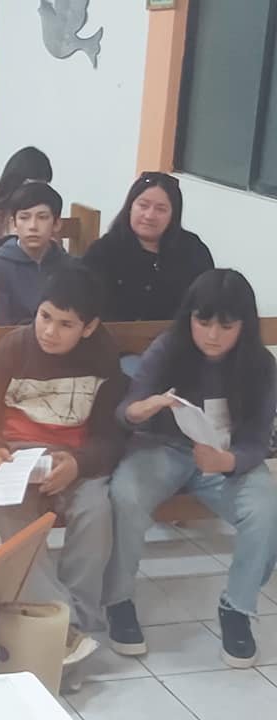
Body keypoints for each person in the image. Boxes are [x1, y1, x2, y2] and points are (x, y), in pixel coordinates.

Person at [103, 269, 277, 670]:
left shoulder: (260, 364)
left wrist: (228, 462)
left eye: (226, 325)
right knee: (126, 495)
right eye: (203, 321)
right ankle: (119, 599)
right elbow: (127, 410)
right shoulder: (169, 348)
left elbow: (257, 440)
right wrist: (141, 409)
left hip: (222, 455)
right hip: (163, 448)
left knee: (266, 508)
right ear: (189, 318)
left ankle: (237, 607)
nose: (212, 334)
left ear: (244, 325)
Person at [0, 265, 128, 671]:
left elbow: (111, 436)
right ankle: (71, 629)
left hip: (74, 459)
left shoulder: (104, 358)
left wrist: (78, 464)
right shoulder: (13, 347)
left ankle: (74, 625)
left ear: (88, 328)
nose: (50, 331)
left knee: (97, 513)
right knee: (15, 521)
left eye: (65, 324)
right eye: (45, 316)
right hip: (17, 456)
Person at [82, 172, 214, 321]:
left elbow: (208, 302)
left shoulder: (193, 250)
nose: (150, 215)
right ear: (130, 207)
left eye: (161, 209)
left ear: (173, 215)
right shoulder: (103, 251)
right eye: (143, 205)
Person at [0, 182, 75, 326]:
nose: (33, 226)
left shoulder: (69, 266)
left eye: (42, 217)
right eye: (24, 217)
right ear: (13, 224)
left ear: (57, 224)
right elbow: (0, 322)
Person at [0, 146, 53, 255]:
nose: (36, 192)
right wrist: (10, 241)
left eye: (42, 186)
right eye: (31, 184)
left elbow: (57, 256)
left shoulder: (45, 212)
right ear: (14, 180)